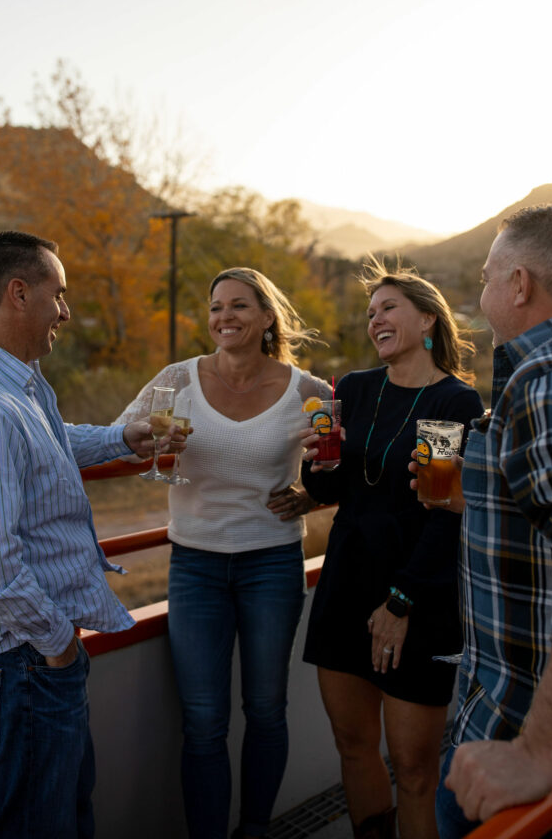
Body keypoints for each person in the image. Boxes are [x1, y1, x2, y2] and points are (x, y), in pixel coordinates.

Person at [0, 230, 182, 839]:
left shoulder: (9, 382)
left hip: (24, 660)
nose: (65, 311)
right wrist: (58, 644)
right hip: (17, 662)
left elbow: (43, 443)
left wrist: (120, 437)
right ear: (18, 293)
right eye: (57, 294)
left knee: (62, 817)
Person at [114, 267, 331, 839]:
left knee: (266, 709)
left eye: (238, 305)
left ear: (267, 318)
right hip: (196, 566)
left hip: (272, 563)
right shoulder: (176, 379)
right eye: (216, 307)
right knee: (204, 721)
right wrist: (151, 440)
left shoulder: (308, 389)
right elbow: (120, 439)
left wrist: (313, 495)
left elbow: (342, 461)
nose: (224, 316)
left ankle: (255, 829)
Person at [300, 256, 483, 839]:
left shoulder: (453, 402)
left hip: (418, 599)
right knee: (353, 747)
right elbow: (331, 492)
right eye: (370, 312)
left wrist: (401, 601)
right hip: (345, 588)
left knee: (413, 769)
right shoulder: (353, 389)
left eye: (388, 308)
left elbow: (443, 512)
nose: (374, 319)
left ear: (427, 319)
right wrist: (317, 462)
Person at [434, 204, 552, 839]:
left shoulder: (547, 376)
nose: (482, 296)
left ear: (520, 284)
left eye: (486, 279)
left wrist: (537, 752)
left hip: (522, 747)